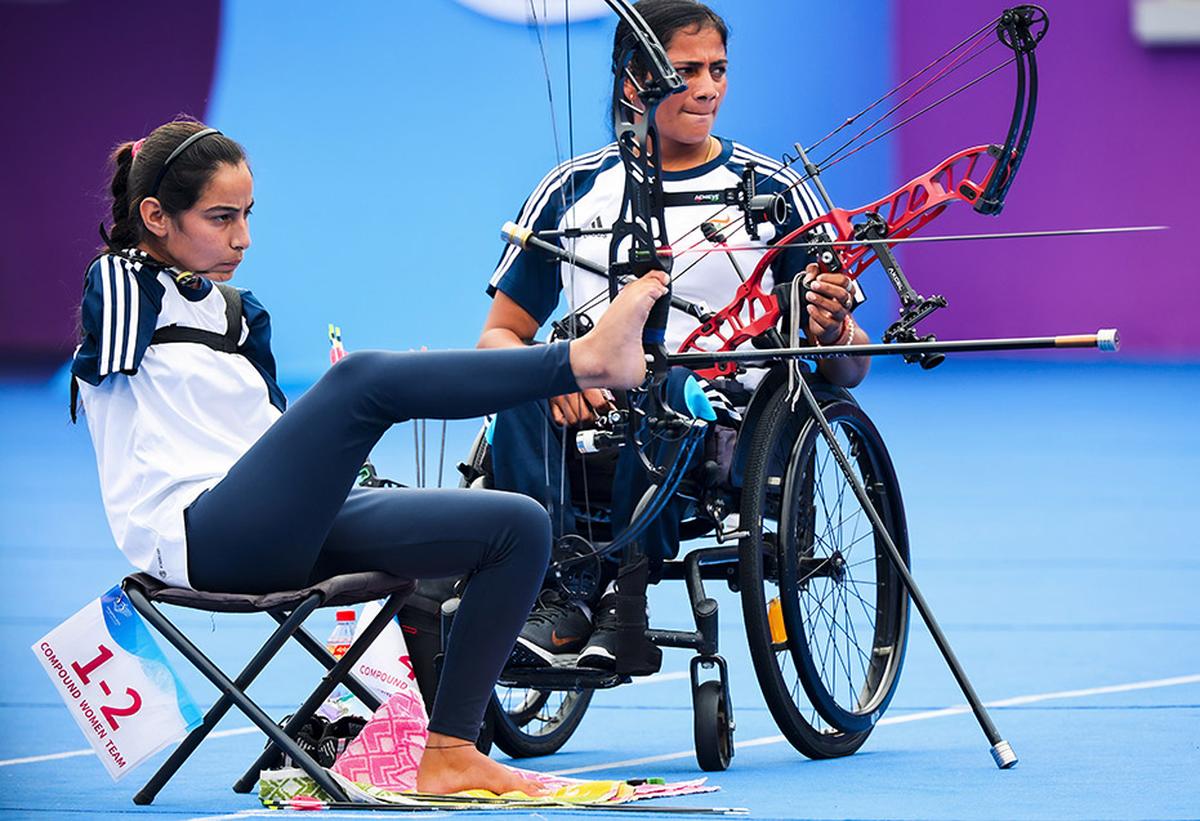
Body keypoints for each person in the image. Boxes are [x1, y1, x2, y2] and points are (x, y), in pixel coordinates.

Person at [71, 118, 669, 795]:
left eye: (247, 215)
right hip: (200, 537)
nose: (243, 238)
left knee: (518, 524)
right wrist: (145, 234)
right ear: (155, 216)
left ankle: (449, 753)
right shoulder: (118, 286)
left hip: (285, 524)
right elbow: (116, 306)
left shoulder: (241, 314)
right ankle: (583, 361)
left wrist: (347, 471)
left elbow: (274, 440)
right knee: (363, 382)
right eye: (220, 217)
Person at [478, 0, 870, 671]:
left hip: (722, 424)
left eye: (719, 68)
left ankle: (622, 606)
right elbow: (499, 336)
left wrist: (831, 329)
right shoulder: (570, 190)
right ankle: (554, 594)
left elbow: (850, 368)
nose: (710, 87)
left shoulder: (772, 191)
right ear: (634, 79)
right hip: (592, 405)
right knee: (517, 379)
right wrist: (553, 373)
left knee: (668, 384)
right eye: (688, 70)